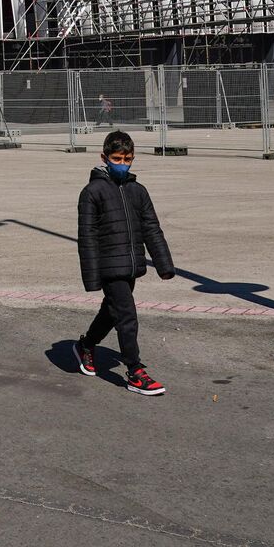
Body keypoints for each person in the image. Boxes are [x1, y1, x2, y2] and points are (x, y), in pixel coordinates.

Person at [74, 130, 175, 396]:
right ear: (104, 157)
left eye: (127, 158)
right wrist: (92, 277)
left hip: (130, 264)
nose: (122, 163)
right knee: (127, 315)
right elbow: (87, 237)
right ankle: (134, 372)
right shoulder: (92, 192)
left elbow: (152, 228)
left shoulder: (137, 191)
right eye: (117, 158)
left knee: (113, 310)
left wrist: (164, 264)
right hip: (109, 265)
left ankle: (86, 346)